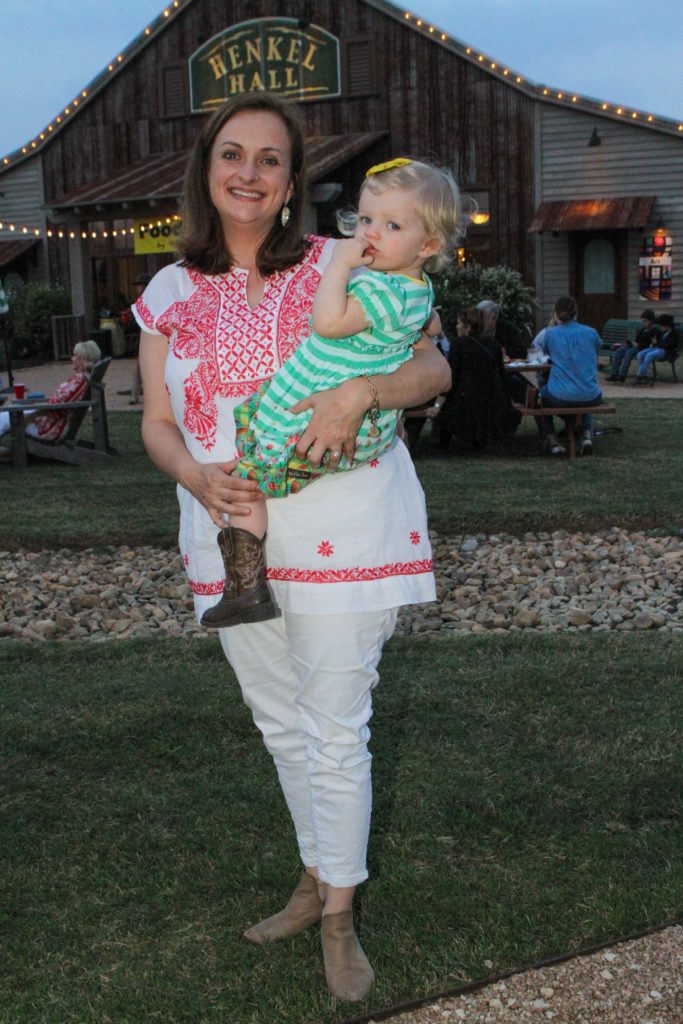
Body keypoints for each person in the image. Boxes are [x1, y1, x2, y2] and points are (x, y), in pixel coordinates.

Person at [133, 92, 451, 1002]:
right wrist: (195, 479)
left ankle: (341, 914)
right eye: (230, 154)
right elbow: (158, 421)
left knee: (336, 726)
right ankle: (316, 880)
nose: (247, 172)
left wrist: (364, 394)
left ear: (290, 182)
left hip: (346, 521)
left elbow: (436, 367)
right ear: (205, 169)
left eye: (269, 159)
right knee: (282, 724)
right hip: (227, 527)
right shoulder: (165, 292)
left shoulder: (348, 260)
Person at [200, 157, 459, 629]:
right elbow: (423, 324)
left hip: (309, 420)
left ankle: (245, 587)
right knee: (249, 475)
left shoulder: (371, 281)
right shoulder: (408, 287)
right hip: (326, 420)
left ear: (428, 244)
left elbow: (331, 324)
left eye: (391, 224)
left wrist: (338, 266)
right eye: (365, 220)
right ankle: (246, 583)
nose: (370, 234)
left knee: (247, 480)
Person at [436, 306, 514, 452]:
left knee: (446, 407)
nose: (456, 326)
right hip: (491, 399)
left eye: (459, 323)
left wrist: (438, 404)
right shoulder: (494, 344)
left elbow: (452, 377)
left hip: (465, 400)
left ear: (467, 327)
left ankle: (443, 444)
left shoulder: (458, 345)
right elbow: (502, 375)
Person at [0, 340, 101, 449]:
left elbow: (59, 404)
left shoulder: (79, 381)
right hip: (49, 419)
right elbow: (59, 403)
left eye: (75, 356)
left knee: (4, 418)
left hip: (50, 427)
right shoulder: (82, 379)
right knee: (6, 416)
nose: (72, 358)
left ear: (83, 359)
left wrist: (30, 416)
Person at [535, 295, 602, 456]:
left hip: (560, 394)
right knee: (586, 388)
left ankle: (552, 440)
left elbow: (541, 353)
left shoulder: (550, 334)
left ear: (555, 314)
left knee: (539, 397)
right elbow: (596, 349)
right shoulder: (591, 332)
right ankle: (586, 436)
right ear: (576, 312)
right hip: (590, 395)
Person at [605, 309, 658, 382]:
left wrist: (637, 344)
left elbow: (651, 343)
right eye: (642, 321)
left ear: (651, 321)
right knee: (619, 351)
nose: (643, 323)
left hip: (643, 348)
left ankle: (622, 375)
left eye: (645, 321)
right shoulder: (643, 329)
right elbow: (637, 340)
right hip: (636, 346)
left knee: (629, 352)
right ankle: (614, 374)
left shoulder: (654, 329)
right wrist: (632, 342)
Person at [632, 313, 678, 385]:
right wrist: (655, 342)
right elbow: (658, 343)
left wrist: (657, 343)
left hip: (666, 351)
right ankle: (643, 376)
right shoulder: (661, 333)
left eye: (661, 325)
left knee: (649, 355)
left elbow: (668, 345)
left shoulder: (673, 334)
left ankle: (639, 376)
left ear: (667, 326)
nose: (660, 327)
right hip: (657, 348)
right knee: (640, 354)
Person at [129, 273, 151, 404]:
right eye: (138, 286)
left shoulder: (153, 301)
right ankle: (134, 396)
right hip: (141, 340)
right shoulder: (138, 303)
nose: (139, 289)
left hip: (151, 340)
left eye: (141, 285)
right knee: (138, 370)